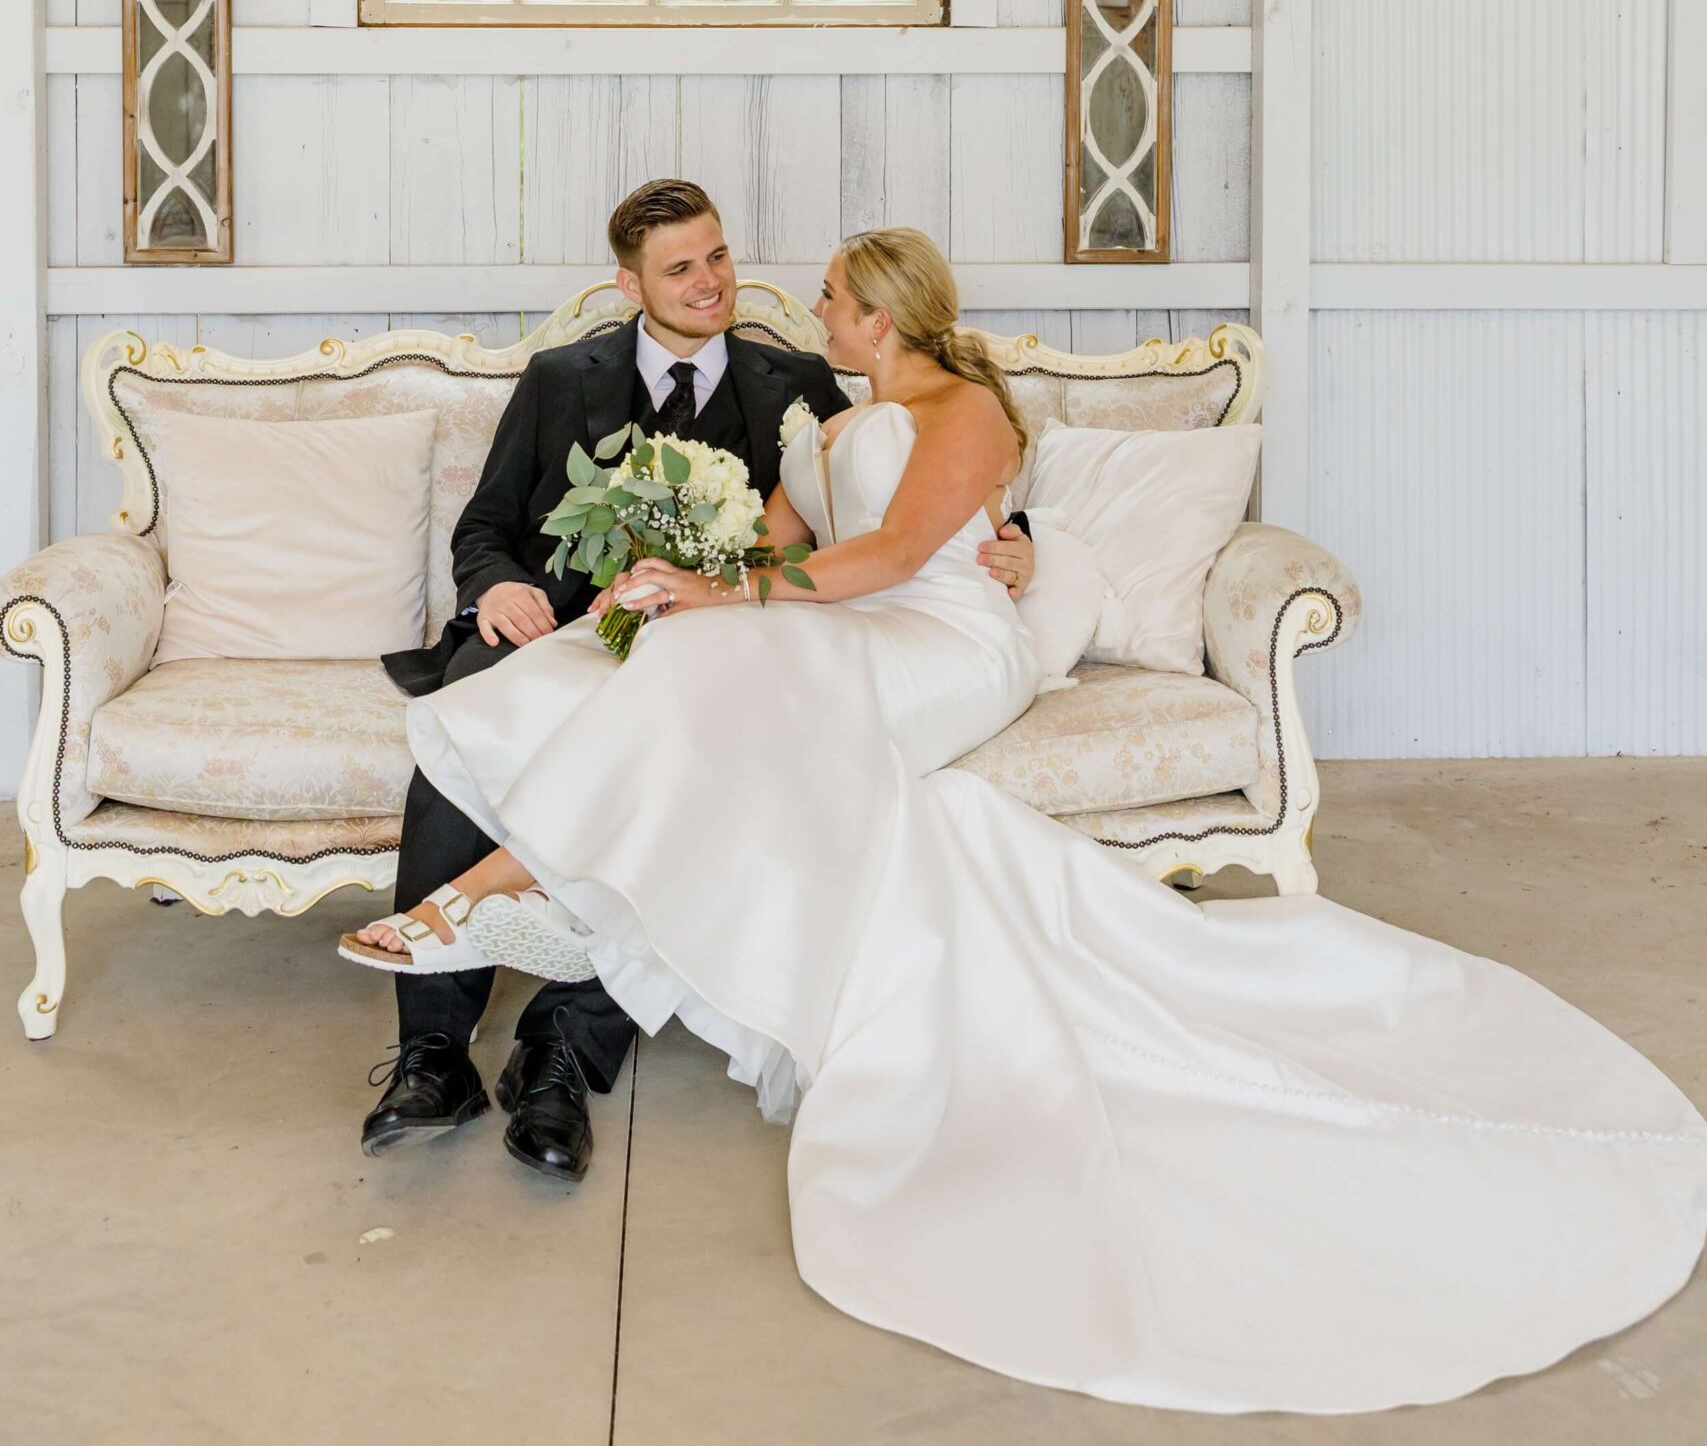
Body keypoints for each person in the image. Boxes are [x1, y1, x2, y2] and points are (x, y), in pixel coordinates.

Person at [344, 227, 1707, 1414]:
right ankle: (529, 889)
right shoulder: (815, 425)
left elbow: (884, 561)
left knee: (728, 662)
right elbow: (772, 548)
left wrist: (755, 596)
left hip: (936, 641)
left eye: (827, 297)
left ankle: (505, 892)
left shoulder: (964, 411)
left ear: (879, 313)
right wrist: (678, 573)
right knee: (666, 656)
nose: (805, 313)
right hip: (838, 628)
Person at [358, 183, 1035, 1180]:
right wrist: (502, 588)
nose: (714, 282)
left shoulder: (803, 381)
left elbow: (918, 509)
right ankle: (431, 1053)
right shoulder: (557, 377)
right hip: (585, 620)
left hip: (733, 625)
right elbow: (485, 527)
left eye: (717, 257)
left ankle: (563, 1048)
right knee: (492, 706)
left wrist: (1021, 539)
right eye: (682, 268)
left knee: (714, 742)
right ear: (627, 281)